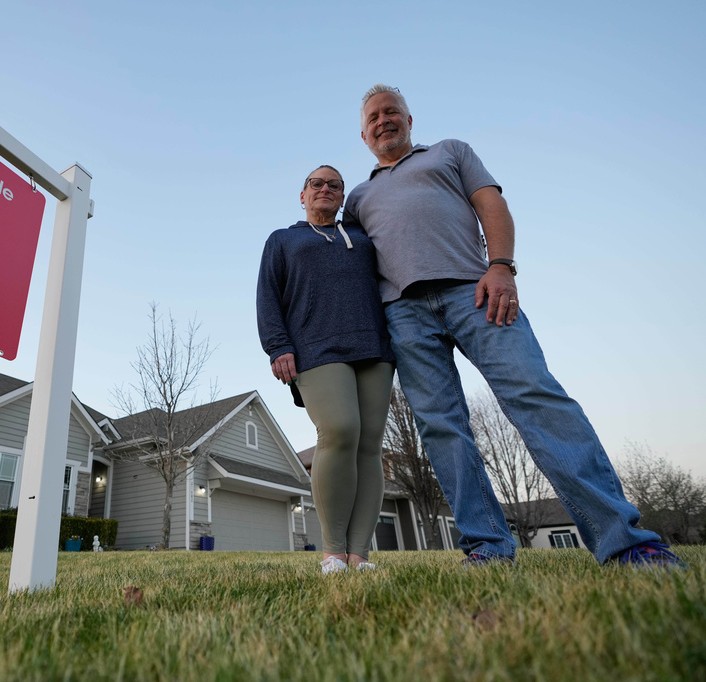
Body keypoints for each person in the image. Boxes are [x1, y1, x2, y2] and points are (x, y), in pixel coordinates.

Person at [342, 83, 681, 567]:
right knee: (441, 427)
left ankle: (626, 542)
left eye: (391, 111)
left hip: (475, 291)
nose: (383, 120)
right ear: (363, 135)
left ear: (410, 120)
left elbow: (491, 204)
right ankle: (487, 548)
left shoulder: (450, 153)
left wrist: (501, 265)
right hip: (404, 313)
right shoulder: (359, 197)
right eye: (373, 117)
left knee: (536, 396)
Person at [257, 165, 396, 574]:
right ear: (303, 195)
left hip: (374, 347)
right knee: (339, 430)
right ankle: (333, 551)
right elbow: (268, 296)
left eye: (334, 185)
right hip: (316, 349)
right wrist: (278, 346)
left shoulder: (362, 240)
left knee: (369, 445)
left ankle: (360, 554)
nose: (325, 189)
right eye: (316, 184)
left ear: (341, 197)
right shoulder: (284, 239)